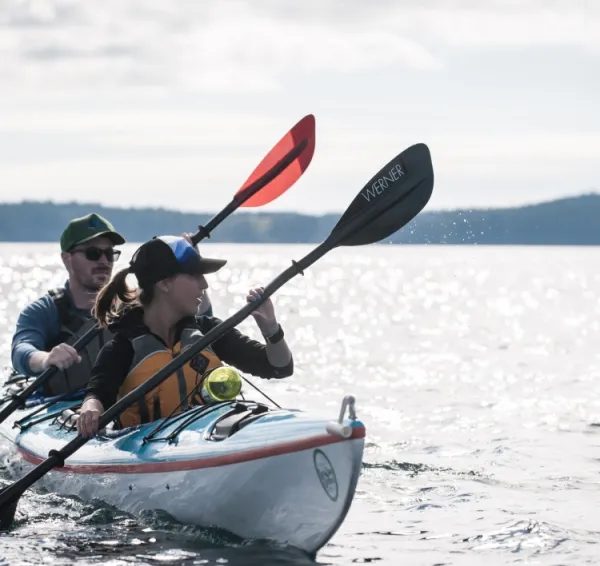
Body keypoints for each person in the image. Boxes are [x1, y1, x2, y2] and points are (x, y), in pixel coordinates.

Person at [77, 235, 293, 437]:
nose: (204, 284)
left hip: (207, 440)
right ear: (164, 283)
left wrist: (270, 328)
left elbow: (279, 367)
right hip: (147, 451)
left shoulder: (208, 331)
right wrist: (90, 409)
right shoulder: (122, 348)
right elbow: (97, 395)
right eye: (194, 275)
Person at [10, 213, 127, 396]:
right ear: (67, 259)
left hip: (123, 405)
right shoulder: (44, 311)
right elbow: (22, 350)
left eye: (110, 253)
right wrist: (46, 359)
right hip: (65, 408)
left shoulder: (131, 306)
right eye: (93, 253)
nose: (104, 261)